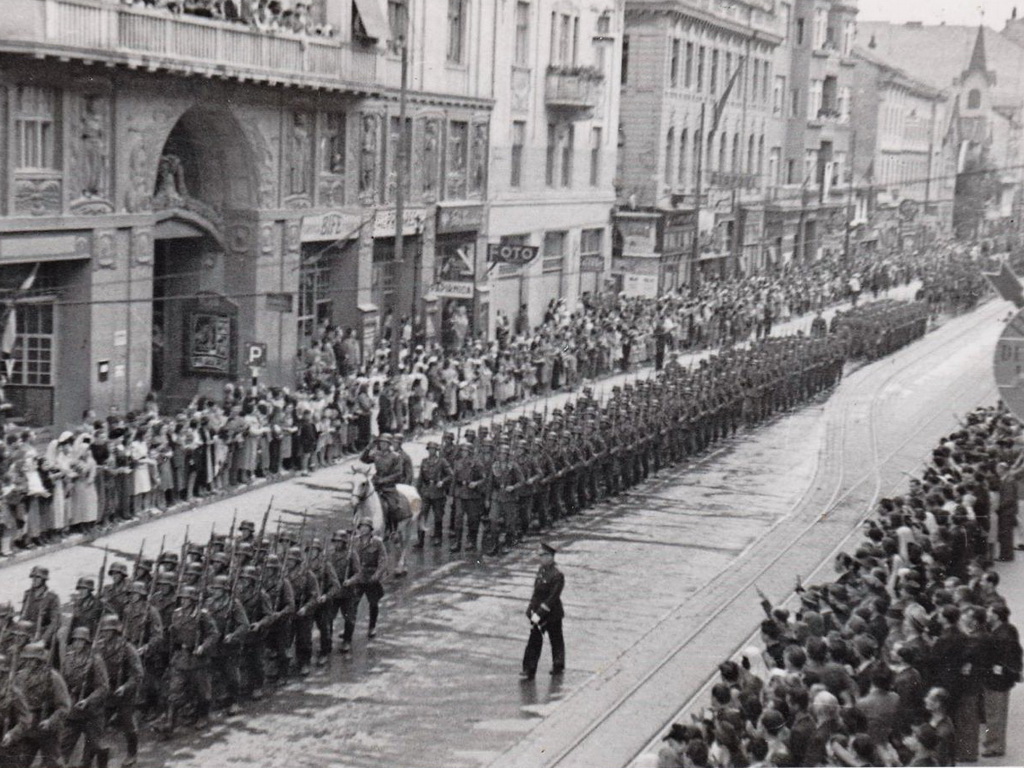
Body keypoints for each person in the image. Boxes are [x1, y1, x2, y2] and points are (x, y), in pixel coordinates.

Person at [520, 541, 565, 681]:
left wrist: (539, 614)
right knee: (534, 640)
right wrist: (530, 609)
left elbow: (552, 598)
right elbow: (536, 592)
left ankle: (558, 664)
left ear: (551, 556)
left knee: (556, 639)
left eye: (543, 556)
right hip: (538, 612)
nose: (541, 558)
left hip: (552, 614)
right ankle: (529, 669)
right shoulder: (541, 571)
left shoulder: (557, 575)